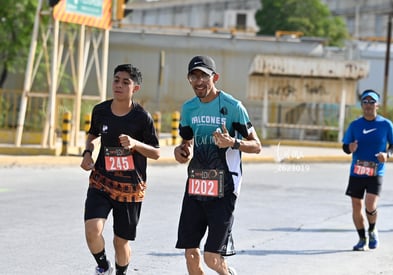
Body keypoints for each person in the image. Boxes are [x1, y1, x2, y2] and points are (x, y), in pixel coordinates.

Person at [173, 55, 262, 275]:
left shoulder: (233, 107)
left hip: (225, 188)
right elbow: (186, 142)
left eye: (204, 75)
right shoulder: (188, 109)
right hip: (196, 186)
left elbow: (257, 145)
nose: (199, 81)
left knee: (212, 258)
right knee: (190, 254)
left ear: (215, 77)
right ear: (189, 79)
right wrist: (181, 151)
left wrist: (233, 142)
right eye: (194, 76)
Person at [80, 64, 160, 275]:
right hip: (101, 181)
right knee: (92, 231)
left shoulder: (142, 118)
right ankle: (103, 265)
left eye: (126, 82)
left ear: (135, 88)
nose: (119, 85)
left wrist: (135, 144)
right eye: (116, 80)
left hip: (130, 190)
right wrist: (87, 154)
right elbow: (92, 136)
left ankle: (120, 272)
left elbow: (156, 152)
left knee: (120, 242)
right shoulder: (101, 111)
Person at [342, 89, 393, 251]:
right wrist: (349, 147)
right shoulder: (355, 125)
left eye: (372, 102)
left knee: (370, 204)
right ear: (361, 105)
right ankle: (361, 238)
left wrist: (387, 154)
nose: (368, 105)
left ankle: (372, 229)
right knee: (356, 206)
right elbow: (345, 146)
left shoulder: (386, 124)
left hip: (376, 171)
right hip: (357, 172)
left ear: (377, 105)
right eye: (365, 102)